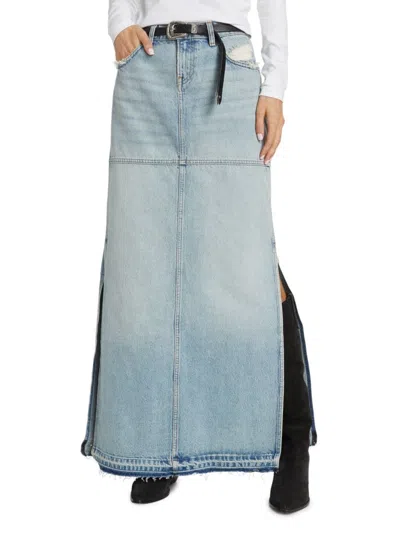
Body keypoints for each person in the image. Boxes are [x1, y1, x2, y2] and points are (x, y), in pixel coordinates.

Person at [81, 0, 318, 514]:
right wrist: (119, 24)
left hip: (228, 71)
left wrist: (275, 87)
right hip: (146, 71)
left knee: (247, 262)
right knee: (144, 264)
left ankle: (291, 438)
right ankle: (157, 444)